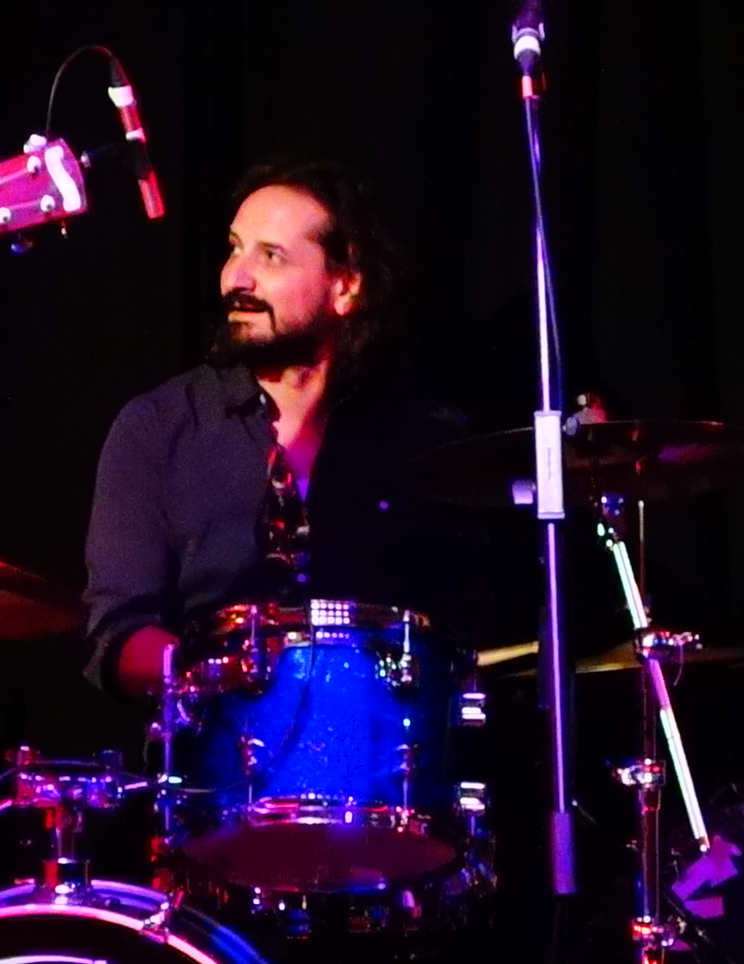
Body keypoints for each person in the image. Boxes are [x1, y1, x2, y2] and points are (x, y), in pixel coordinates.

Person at [82, 160, 470, 700]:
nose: (235, 278)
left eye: (271, 256)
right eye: (235, 249)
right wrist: (211, 676)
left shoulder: (419, 440)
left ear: (345, 287)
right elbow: (117, 632)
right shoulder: (160, 427)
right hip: (214, 739)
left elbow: (463, 626)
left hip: (384, 741)